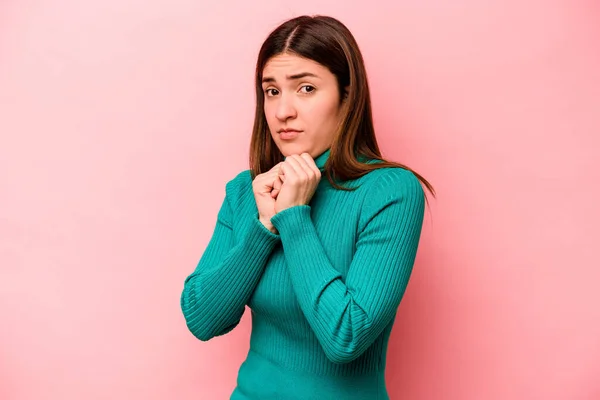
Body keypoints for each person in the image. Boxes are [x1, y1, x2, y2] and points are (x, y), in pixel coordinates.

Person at [180, 14, 435, 400]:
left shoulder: (390, 192)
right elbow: (201, 318)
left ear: (346, 97)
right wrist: (263, 228)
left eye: (306, 88)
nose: (283, 111)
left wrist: (294, 218)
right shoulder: (246, 192)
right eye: (272, 91)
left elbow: (346, 336)